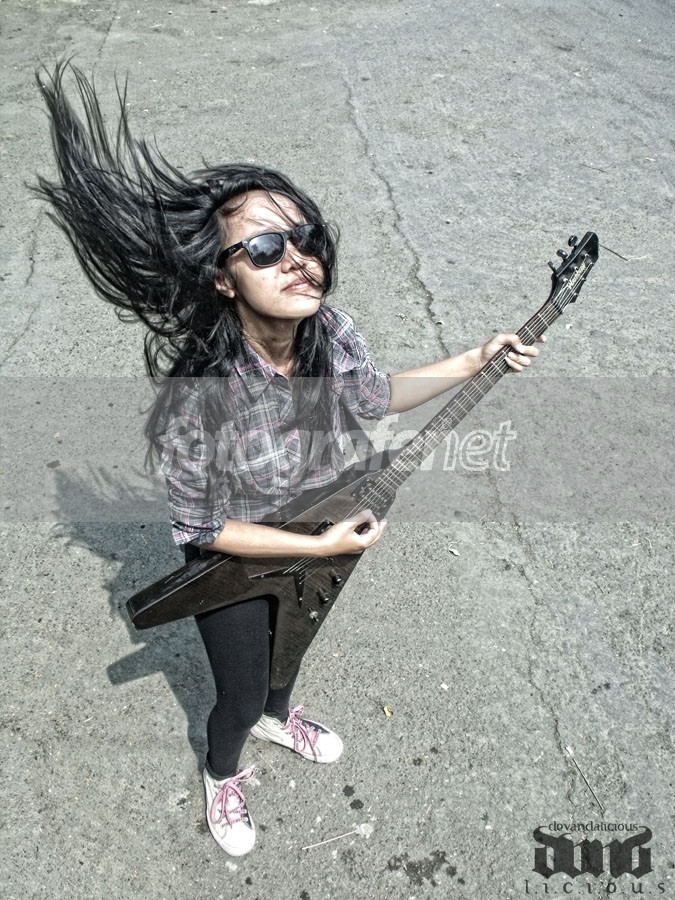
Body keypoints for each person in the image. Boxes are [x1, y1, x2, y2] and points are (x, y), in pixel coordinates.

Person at [35, 63, 544, 857]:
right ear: (222, 278)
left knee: (290, 652)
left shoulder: (330, 331)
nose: (297, 259)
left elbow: (374, 395)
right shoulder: (201, 397)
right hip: (238, 555)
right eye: (267, 247)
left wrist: (476, 357)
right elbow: (204, 528)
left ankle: (281, 717)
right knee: (238, 695)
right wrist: (321, 544)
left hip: (318, 525)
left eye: (306, 239)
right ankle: (222, 770)